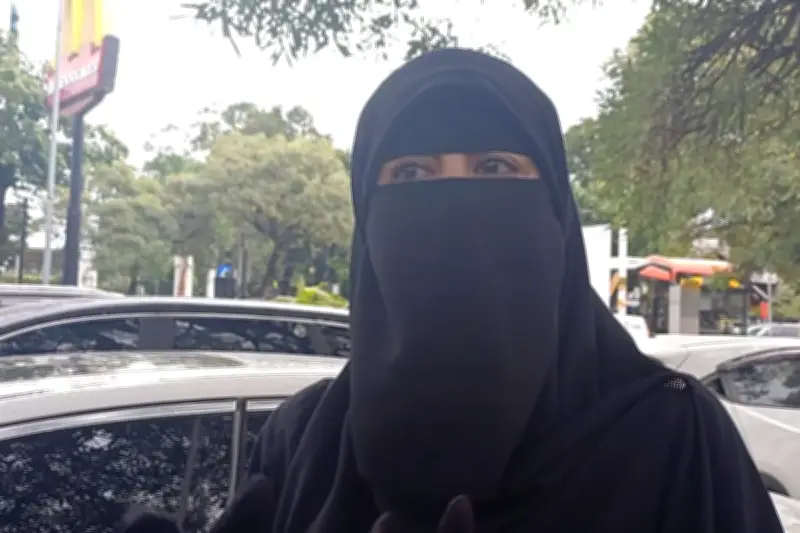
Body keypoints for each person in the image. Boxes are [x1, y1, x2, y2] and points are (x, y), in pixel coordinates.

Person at [123, 48, 782, 533]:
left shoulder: (676, 441)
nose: (455, 201)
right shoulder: (306, 441)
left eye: (494, 166)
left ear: (554, 211)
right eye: (412, 173)